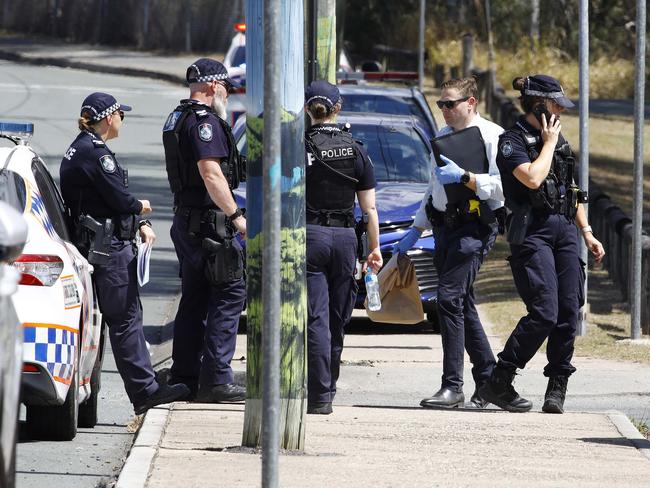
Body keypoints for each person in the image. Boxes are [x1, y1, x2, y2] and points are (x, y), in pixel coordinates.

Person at [479, 74, 605, 414]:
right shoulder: (512, 142)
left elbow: (571, 189)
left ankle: (557, 385)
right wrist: (548, 144)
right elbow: (533, 178)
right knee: (544, 312)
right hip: (532, 233)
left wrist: (587, 231)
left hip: (565, 229)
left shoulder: (559, 141)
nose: (561, 112)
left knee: (568, 310)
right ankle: (500, 379)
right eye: (556, 106)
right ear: (538, 106)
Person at [60, 92, 189, 415]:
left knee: (125, 317)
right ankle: (145, 391)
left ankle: (147, 381)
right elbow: (119, 199)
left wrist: (139, 222)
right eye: (121, 115)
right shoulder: (96, 154)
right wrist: (140, 207)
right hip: (108, 249)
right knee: (126, 319)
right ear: (108, 118)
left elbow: (105, 199)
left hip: (103, 243)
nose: (122, 121)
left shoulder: (82, 147)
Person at [393, 77, 504, 409]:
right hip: (444, 228)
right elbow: (433, 189)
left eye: (450, 104)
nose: (444, 110)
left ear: (470, 103)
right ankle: (489, 382)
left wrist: (467, 179)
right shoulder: (441, 137)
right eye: (440, 104)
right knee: (462, 304)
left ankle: (452, 386)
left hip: (475, 228)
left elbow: (504, 190)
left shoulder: (492, 136)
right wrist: (415, 230)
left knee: (448, 299)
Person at [162, 58, 247, 403]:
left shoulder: (178, 116)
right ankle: (216, 380)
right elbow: (211, 173)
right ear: (213, 86)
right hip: (210, 225)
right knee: (229, 294)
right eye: (226, 88)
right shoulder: (204, 122)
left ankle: (185, 374)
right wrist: (237, 216)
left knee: (194, 299)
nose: (228, 94)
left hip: (187, 221)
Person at [304, 80, 382, 415]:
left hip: (310, 236)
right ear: (339, 108)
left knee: (316, 318)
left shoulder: (301, 147)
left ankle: (320, 396)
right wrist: (373, 250)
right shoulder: (356, 148)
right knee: (338, 317)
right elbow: (370, 210)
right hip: (346, 240)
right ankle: (329, 387)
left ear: (308, 109)